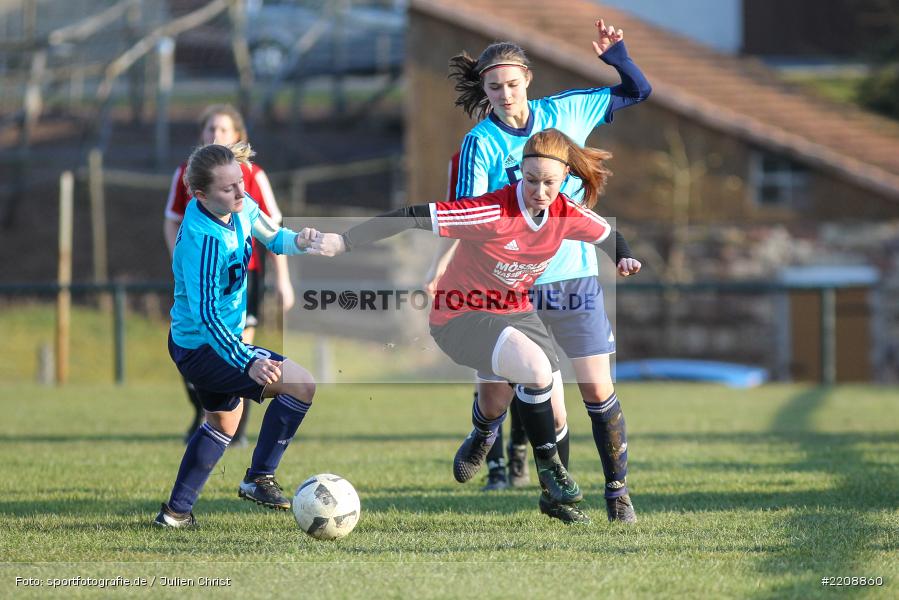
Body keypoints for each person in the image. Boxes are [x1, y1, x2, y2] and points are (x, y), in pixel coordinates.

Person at [310, 128, 640, 523]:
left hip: (515, 312)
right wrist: (344, 242)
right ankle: (552, 473)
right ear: (520, 172)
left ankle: (538, 486)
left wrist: (624, 258)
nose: (539, 191)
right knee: (536, 371)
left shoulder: (566, 213)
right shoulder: (492, 212)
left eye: (549, 183)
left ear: (564, 177)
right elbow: (413, 216)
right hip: (459, 316)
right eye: (530, 180)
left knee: (554, 414)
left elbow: (609, 235)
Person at [426, 18, 650, 522]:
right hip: (507, 285)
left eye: (511, 82)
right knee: (505, 394)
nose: (505, 94)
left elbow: (639, 90)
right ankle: (488, 431)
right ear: (484, 90)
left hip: (573, 279)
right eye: (493, 86)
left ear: (528, 78)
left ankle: (616, 495)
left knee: (596, 389)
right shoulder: (479, 144)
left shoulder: (565, 110)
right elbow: (466, 219)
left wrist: (617, 56)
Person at [154, 142, 316, 528]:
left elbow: (274, 237)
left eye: (240, 183)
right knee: (301, 385)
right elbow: (207, 316)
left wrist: (301, 241)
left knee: (222, 425)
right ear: (200, 195)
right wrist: (249, 360)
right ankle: (258, 477)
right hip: (204, 347)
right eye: (228, 189)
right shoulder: (203, 238)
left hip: (209, 344)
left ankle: (175, 514)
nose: (241, 193)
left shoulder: (237, 208)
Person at [164, 104, 295, 446]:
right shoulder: (189, 175)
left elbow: (275, 232)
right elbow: (172, 219)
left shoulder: (252, 176)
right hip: (205, 283)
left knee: (241, 345)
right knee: (205, 351)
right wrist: (181, 263)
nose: (215, 135)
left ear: (238, 137)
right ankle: (215, 420)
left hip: (243, 277)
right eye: (210, 130)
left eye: (223, 130)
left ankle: (235, 427)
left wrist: (283, 278)